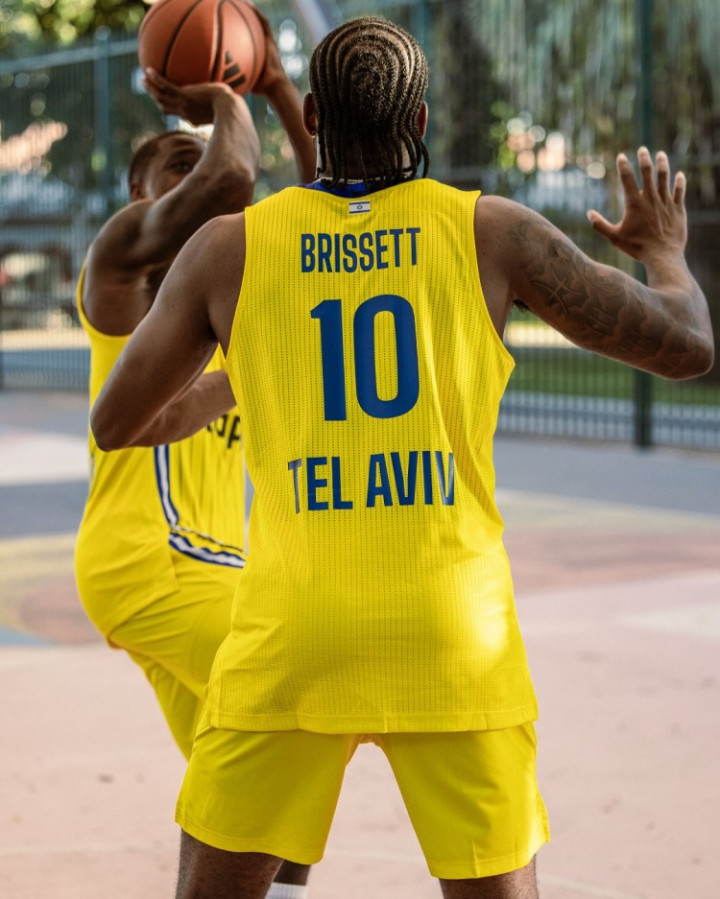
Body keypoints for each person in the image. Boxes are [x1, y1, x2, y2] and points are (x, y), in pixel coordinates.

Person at [89, 16, 714, 899]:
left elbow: (116, 422)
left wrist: (244, 367)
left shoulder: (231, 248)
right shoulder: (492, 231)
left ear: (314, 115)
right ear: (420, 121)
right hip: (452, 627)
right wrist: (665, 255)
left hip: (293, 631)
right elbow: (688, 346)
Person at [74, 14, 316, 897]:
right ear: (140, 196)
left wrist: (278, 86)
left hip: (210, 564)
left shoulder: (241, 278)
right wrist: (218, 98)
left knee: (255, 772)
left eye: (197, 156)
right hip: (151, 559)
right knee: (289, 705)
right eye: (174, 165)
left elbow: (322, 200)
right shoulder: (123, 267)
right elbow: (233, 172)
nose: (198, 169)